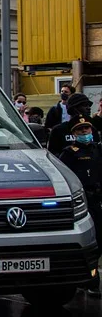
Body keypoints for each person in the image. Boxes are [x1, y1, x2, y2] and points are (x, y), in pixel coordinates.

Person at [57, 116, 102, 298]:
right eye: (80, 130)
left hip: (98, 199)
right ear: (74, 133)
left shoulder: (98, 149)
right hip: (83, 201)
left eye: (87, 129)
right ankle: (92, 282)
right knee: (89, 242)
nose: (85, 132)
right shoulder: (69, 153)